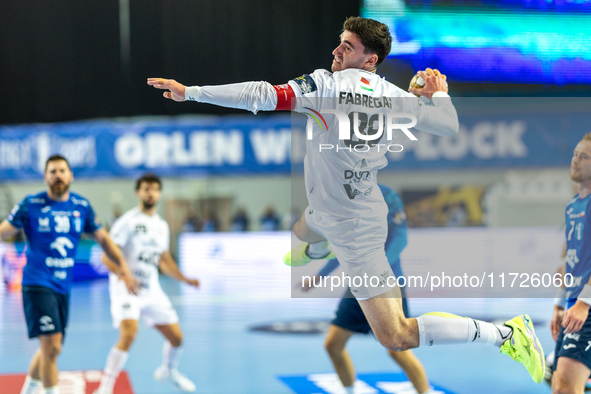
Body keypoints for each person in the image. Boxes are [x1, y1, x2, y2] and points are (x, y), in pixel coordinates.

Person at [147, 16, 544, 383]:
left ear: (370, 59)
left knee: (396, 335)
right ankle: (314, 244)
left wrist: (192, 93)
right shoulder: (391, 94)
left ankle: (506, 334)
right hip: (338, 207)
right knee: (306, 223)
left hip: (356, 230)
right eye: (340, 42)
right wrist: (438, 95)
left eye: (348, 46)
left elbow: (261, 94)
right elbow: (447, 123)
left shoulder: (326, 86)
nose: (337, 50)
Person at [0, 155, 138, 394]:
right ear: (45, 177)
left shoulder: (81, 206)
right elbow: (3, 232)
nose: (58, 175)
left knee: (50, 348)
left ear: (70, 175)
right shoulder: (30, 204)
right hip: (37, 283)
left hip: (63, 287)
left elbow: (103, 239)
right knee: (52, 346)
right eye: (52, 171)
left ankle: (27, 391)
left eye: (62, 171)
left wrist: (123, 267)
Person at [301, 184, 432, 394]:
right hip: (358, 286)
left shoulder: (387, 196)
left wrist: (377, 266)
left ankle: (426, 392)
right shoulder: (339, 197)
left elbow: (400, 237)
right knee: (333, 345)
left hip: (386, 282)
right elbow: (342, 248)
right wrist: (319, 277)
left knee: (398, 349)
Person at [94, 173, 200, 394]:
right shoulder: (127, 222)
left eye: (154, 189)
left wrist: (185, 279)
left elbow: (164, 260)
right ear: (138, 192)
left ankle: (168, 371)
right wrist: (125, 276)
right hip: (126, 287)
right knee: (129, 333)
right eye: (146, 188)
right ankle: (105, 387)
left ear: (159, 193)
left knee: (177, 338)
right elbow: (106, 257)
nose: (150, 193)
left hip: (151, 289)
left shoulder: (161, 225)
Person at [550, 132, 591, 394]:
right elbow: (570, 263)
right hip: (574, 305)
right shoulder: (572, 206)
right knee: (560, 385)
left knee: (565, 385)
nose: (575, 160)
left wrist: (584, 303)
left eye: (584, 156)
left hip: (585, 306)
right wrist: (559, 303)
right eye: (575, 154)